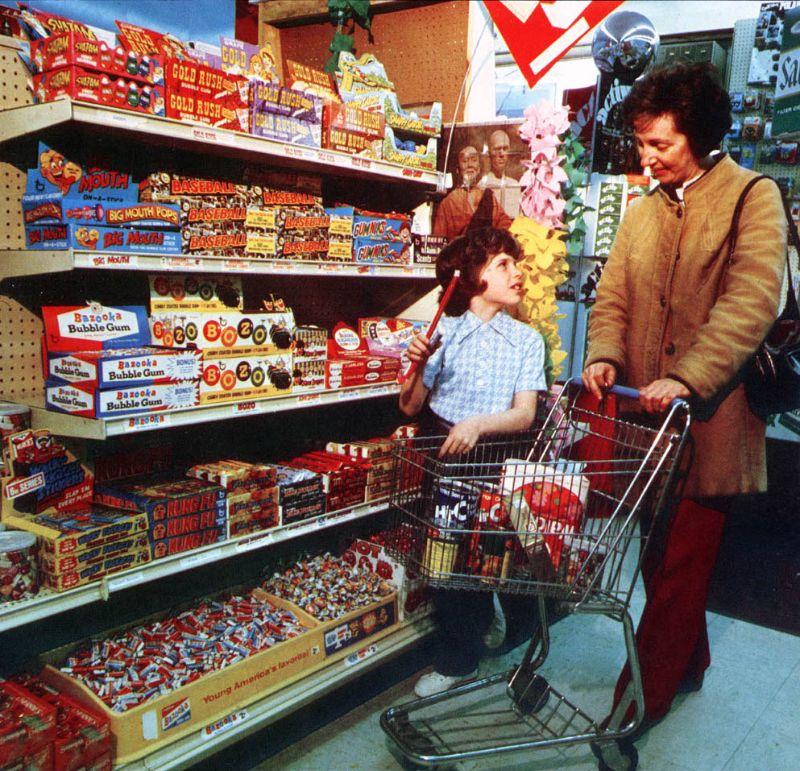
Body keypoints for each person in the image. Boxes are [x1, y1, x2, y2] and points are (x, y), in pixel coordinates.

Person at [582, 63, 787, 769]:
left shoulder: (753, 196)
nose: (647, 158)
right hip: (645, 423)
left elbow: (752, 302)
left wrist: (688, 376)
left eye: (660, 144)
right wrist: (604, 353)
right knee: (656, 557)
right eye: (641, 143)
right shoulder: (643, 210)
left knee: (678, 564)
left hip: (712, 422)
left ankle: (635, 705)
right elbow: (612, 296)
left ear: (697, 135)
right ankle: (690, 660)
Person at [399, 227, 547, 697]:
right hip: (445, 460)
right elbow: (409, 405)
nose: (517, 272)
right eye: (503, 264)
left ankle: (486, 614)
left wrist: (478, 425)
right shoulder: (444, 333)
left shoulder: (527, 340)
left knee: (487, 556)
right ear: (473, 277)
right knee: (446, 564)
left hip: (497, 460)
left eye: (516, 263)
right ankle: (458, 661)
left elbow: (525, 414)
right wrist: (418, 365)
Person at [433, 145, 512, 239]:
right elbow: (439, 239)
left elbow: (505, 225)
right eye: (464, 161)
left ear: (478, 169)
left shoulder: (488, 197)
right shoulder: (448, 203)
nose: (470, 165)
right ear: (458, 170)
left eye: (474, 160)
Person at [480, 129, 522, 219]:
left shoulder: (515, 185)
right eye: (497, 149)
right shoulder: (481, 187)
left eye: (505, 149)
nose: (501, 154)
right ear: (489, 153)